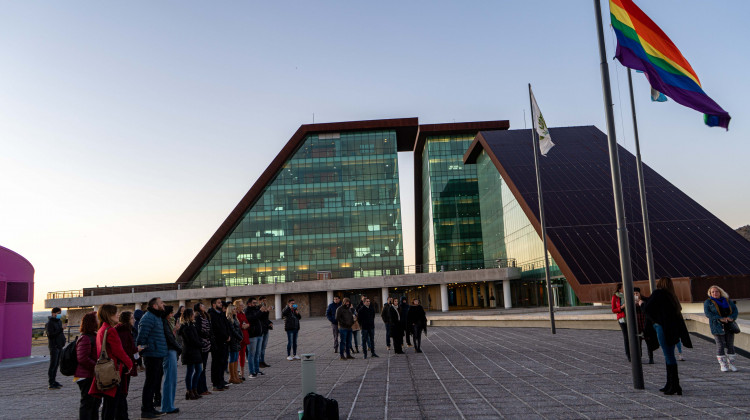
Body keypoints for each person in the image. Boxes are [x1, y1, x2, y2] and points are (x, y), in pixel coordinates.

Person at [644, 277, 692, 396]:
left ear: (660, 284)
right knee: (669, 355)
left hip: (663, 328)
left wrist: (641, 303)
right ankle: (670, 383)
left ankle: (674, 385)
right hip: (673, 329)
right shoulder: (672, 296)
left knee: (669, 356)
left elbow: (647, 309)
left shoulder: (658, 293)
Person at [89, 304, 134, 420]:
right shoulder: (111, 330)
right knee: (112, 405)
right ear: (109, 315)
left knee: (109, 405)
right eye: (115, 313)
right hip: (112, 371)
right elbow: (119, 351)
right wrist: (130, 364)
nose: (118, 314)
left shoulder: (101, 329)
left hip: (104, 370)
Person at [136, 297, 168, 419]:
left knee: (154, 382)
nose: (163, 304)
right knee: (150, 383)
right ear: (155, 306)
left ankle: (151, 408)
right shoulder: (149, 317)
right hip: (151, 355)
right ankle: (146, 410)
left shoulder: (157, 316)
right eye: (161, 303)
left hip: (158, 353)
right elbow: (141, 338)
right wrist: (146, 349)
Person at [704, 285, 739, 372]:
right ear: (710, 293)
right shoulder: (708, 302)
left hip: (729, 325)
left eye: (716, 291)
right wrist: (719, 318)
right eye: (712, 292)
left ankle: (732, 365)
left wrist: (731, 317)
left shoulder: (728, 301)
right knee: (720, 345)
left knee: (730, 345)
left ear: (720, 292)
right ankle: (723, 365)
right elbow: (708, 314)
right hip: (717, 326)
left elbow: (735, 311)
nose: (715, 293)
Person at [75, 312, 101, 420]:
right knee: (87, 404)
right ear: (92, 322)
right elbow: (82, 358)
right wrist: (97, 367)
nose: (99, 321)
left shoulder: (94, 336)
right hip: (86, 376)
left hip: (92, 374)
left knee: (95, 404)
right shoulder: (85, 338)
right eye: (97, 319)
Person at [115, 311, 140, 419]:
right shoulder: (124, 332)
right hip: (124, 366)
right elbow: (125, 349)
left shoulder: (125, 331)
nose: (133, 320)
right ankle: (122, 416)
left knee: (122, 392)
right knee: (122, 392)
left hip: (125, 365)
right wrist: (136, 349)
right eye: (131, 318)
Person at [178, 308, 203, 400]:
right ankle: (189, 390)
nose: (194, 315)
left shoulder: (192, 325)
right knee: (190, 371)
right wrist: (201, 344)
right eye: (192, 314)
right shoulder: (186, 327)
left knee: (199, 370)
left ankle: (194, 389)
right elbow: (191, 340)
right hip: (190, 352)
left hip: (195, 351)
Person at [160, 305, 181, 414]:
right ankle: (167, 406)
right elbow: (170, 338)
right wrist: (179, 348)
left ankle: (169, 405)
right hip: (169, 351)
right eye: (171, 313)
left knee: (171, 379)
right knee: (170, 379)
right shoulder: (164, 322)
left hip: (170, 350)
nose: (172, 315)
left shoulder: (166, 322)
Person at [208, 298, 230, 391]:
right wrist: (224, 336)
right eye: (218, 302)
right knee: (216, 363)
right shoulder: (212, 315)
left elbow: (226, 325)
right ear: (213, 305)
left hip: (224, 342)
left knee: (223, 362)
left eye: (221, 302)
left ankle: (221, 381)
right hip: (217, 342)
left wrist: (228, 335)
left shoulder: (221, 314)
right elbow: (216, 329)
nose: (221, 304)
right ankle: (216, 383)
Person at [193, 302, 212, 395]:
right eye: (201, 305)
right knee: (201, 368)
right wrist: (205, 335)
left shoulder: (206, 316)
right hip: (202, 344)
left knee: (203, 367)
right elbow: (198, 330)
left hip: (207, 343)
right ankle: (200, 388)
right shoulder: (197, 317)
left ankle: (204, 388)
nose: (204, 306)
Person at [46, 307, 66, 390]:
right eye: (58, 313)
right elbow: (50, 335)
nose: (59, 315)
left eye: (60, 313)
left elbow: (60, 333)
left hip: (59, 345)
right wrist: (61, 329)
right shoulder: (50, 323)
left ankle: (54, 381)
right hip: (54, 346)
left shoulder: (59, 322)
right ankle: (51, 382)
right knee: (53, 365)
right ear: (53, 313)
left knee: (57, 364)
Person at [634, 288, 656, 364]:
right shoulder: (630, 302)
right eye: (634, 294)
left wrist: (641, 304)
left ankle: (651, 357)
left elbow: (647, 309)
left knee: (648, 341)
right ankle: (639, 357)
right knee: (638, 342)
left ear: (639, 293)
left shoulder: (645, 300)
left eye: (637, 293)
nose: (635, 295)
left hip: (645, 322)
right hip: (637, 323)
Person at [245, 297, 264, 377]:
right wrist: (260, 311)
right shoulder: (247, 311)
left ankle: (257, 370)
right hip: (252, 335)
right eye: (253, 303)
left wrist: (263, 311)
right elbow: (252, 318)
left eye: (256, 303)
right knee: (251, 354)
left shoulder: (256, 309)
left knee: (257, 354)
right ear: (249, 303)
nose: (255, 304)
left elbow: (261, 318)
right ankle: (251, 371)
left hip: (259, 334)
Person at [611, 283, 630, 361]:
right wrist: (622, 307)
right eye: (623, 287)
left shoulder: (628, 295)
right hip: (622, 318)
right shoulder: (615, 297)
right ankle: (628, 354)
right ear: (619, 289)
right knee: (626, 336)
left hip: (630, 318)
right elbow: (613, 309)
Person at [225, 304, 244, 384]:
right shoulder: (229, 319)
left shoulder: (235, 318)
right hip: (233, 341)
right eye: (233, 309)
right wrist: (240, 337)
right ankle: (232, 377)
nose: (235, 310)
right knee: (232, 358)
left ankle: (235, 375)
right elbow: (233, 331)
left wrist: (241, 336)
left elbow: (238, 329)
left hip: (236, 340)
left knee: (236, 358)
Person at [234, 299, 250, 380]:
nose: (242, 306)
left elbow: (247, 322)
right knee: (236, 355)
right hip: (238, 337)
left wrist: (246, 325)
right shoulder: (235, 315)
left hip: (244, 336)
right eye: (241, 305)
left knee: (243, 355)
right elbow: (237, 325)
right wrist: (243, 326)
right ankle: (235, 373)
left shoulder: (243, 314)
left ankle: (242, 372)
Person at [258, 296, 273, 368]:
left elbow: (265, 319)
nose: (265, 302)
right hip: (261, 330)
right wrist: (264, 311)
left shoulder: (265, 308)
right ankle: (259, 362)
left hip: (266, 329)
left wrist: (270, 323)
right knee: (260, 347)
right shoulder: (258, 308)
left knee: (263, 347)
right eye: (263, 300)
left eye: (265, 301)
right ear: (260, 301)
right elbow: (258, 317)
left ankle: (262, 361)